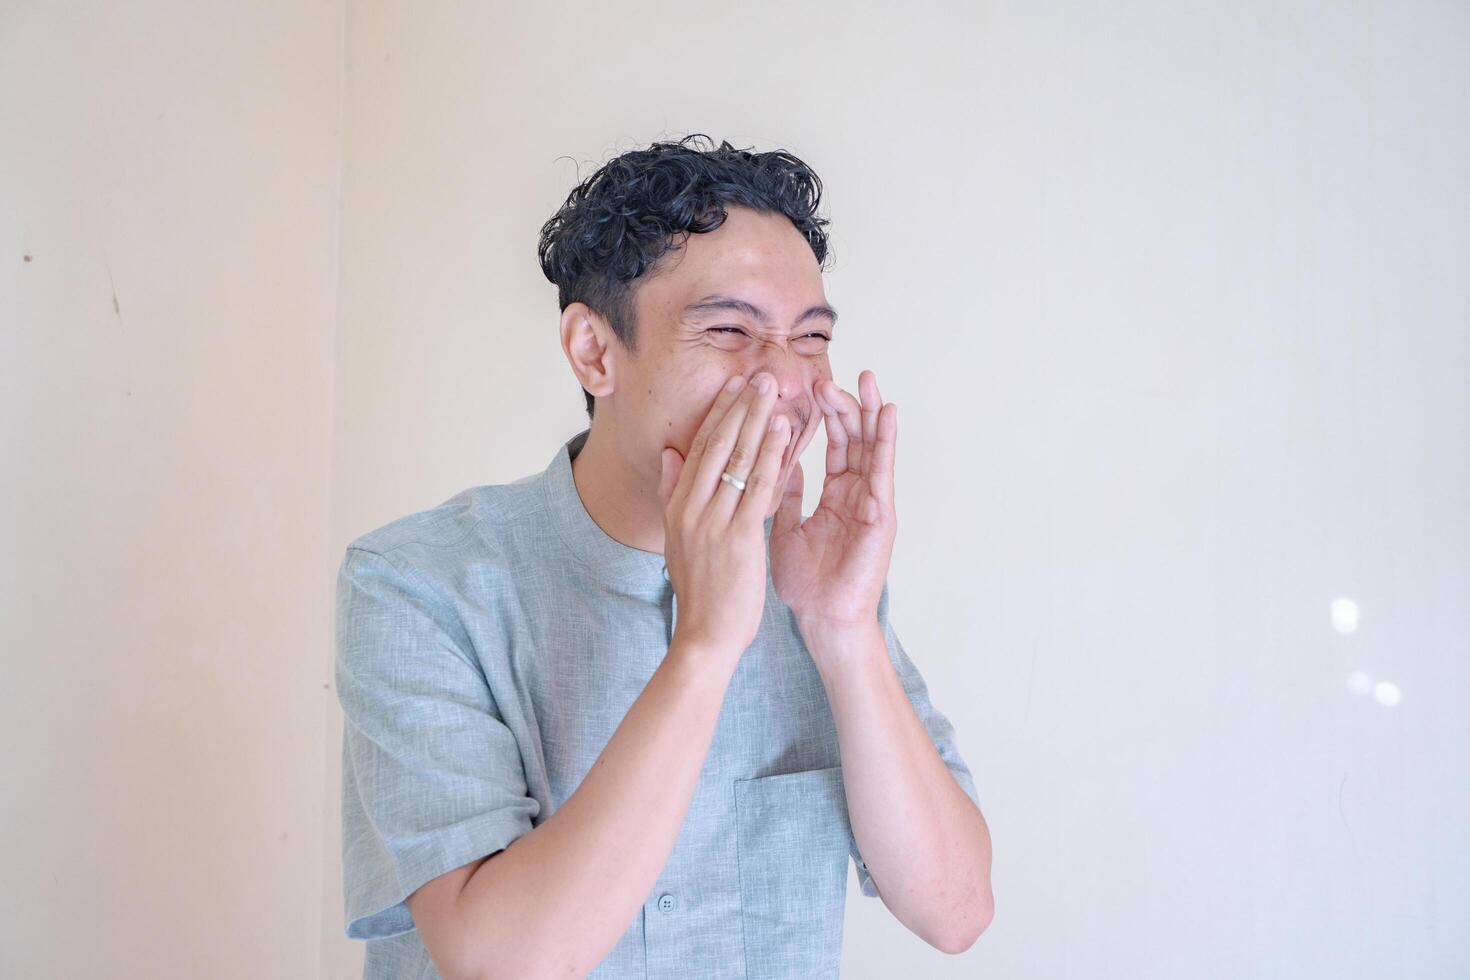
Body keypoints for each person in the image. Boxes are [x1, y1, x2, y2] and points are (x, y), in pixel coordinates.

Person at [334, 134, 994, 979]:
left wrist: (843, 629)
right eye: (729, 330)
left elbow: (957, 912)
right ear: (594, 352)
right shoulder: (418, 585)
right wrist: (705, 647)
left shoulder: (817, 579)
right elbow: (502, 961)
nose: (785, 384)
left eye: (810, 337)